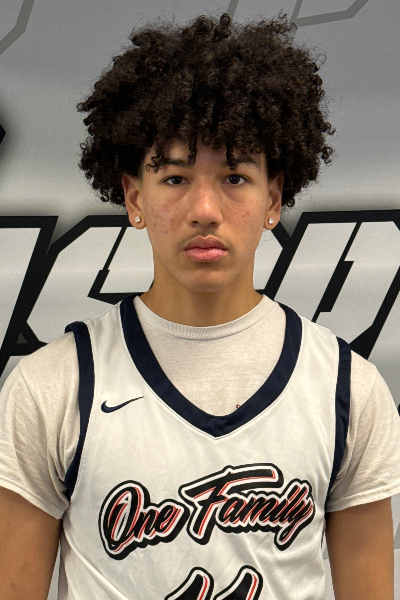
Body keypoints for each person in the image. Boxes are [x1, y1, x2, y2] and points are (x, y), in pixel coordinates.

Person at [0, 12, 399, 600]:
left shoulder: (347, 388)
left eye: (234, 177)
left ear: (274, 198)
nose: (205, 210)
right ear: (133, 197)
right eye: (175, 178)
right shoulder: (52, 386)